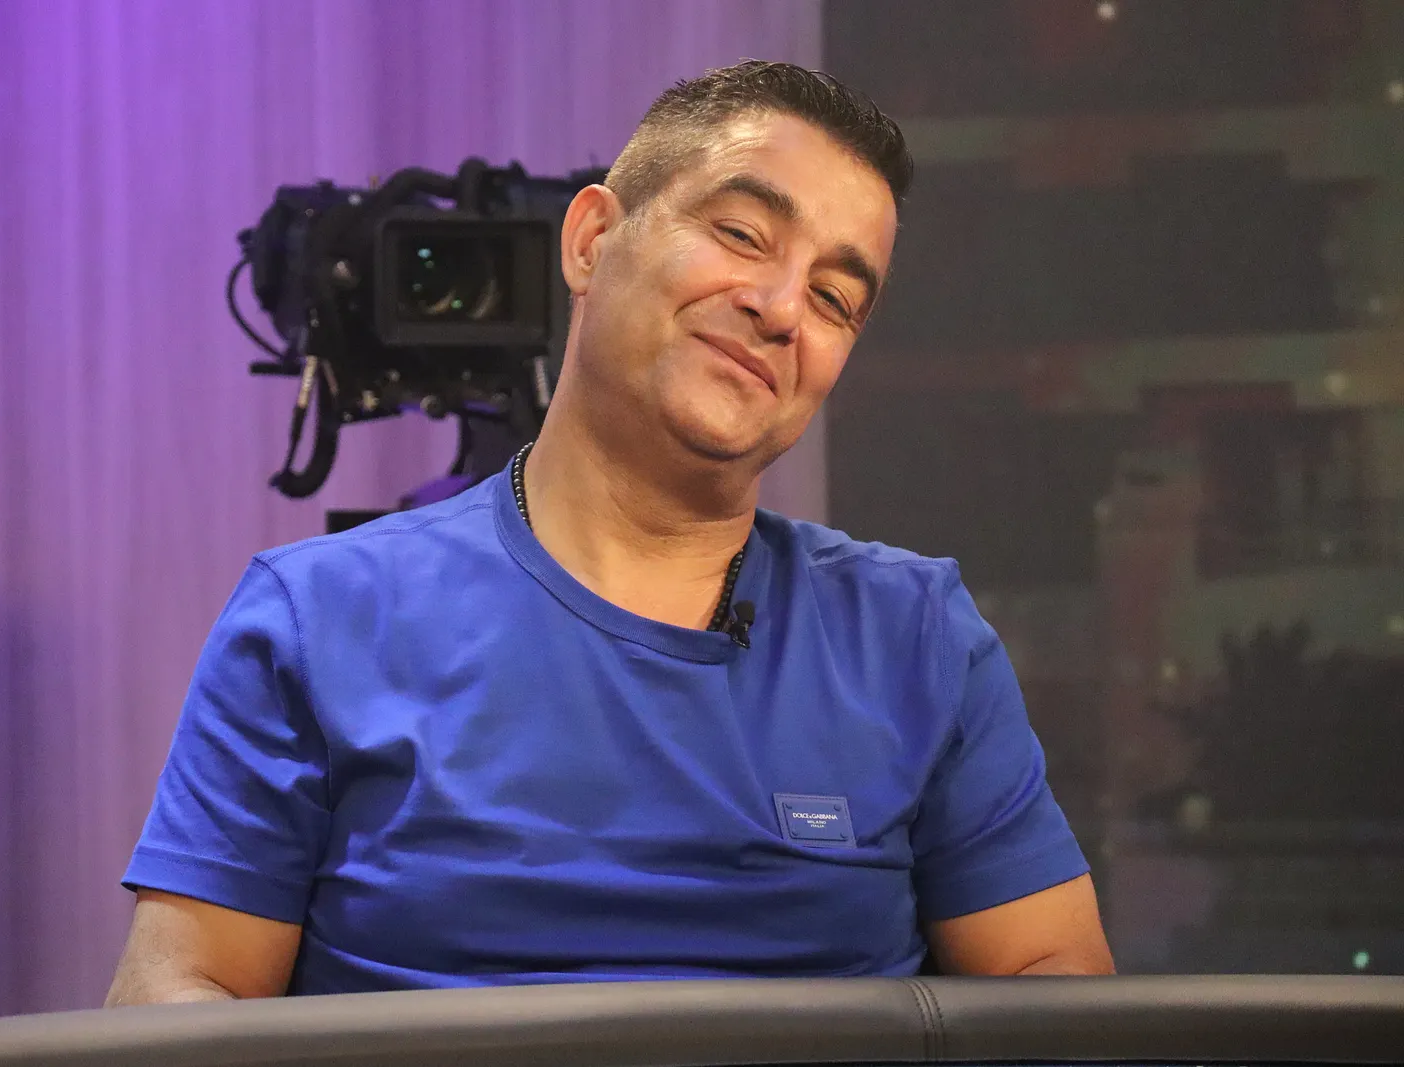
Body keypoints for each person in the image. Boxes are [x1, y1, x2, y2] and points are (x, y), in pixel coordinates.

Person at [106, 60, 1114, 1006]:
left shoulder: (912, 635)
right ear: (591, 239)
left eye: (833, 298)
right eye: (743, 235)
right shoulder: (317, 619)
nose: (779, 309)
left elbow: (1058, 990)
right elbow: (182, 999)